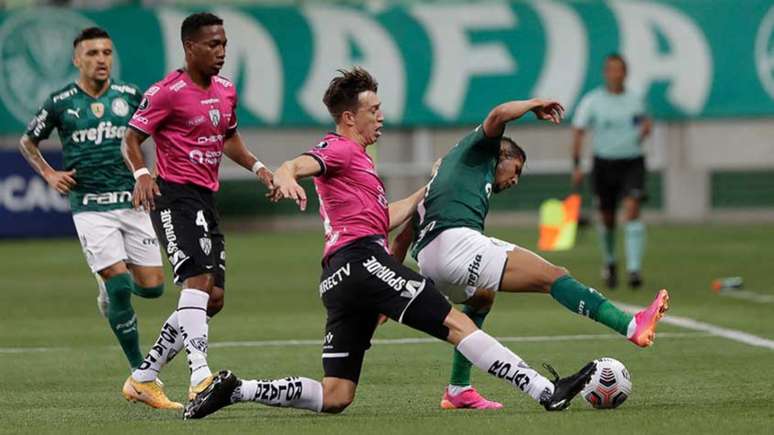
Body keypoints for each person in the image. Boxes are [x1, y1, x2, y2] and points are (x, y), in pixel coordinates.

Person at [183, 67, 597, 420]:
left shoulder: (360, 162)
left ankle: (239, 389)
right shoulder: (340, 147)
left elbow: (381, 219)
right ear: (349, 117)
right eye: (374, 110)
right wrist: (288, 173)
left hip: (338, 279)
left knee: (336, 395)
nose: (381, 116)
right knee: (459, 323)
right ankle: (546, 390)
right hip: (363, 262)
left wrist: (428, 189)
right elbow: (302, 163)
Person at [389, 98, 669, 410]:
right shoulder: (477, 150)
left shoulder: (442, 183)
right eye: (516, 169)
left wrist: (385, 286)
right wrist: (534, 104)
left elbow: (401, 241)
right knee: (554, 276)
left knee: (482, 297)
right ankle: (632, 326)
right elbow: (497, 114)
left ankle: (458, 390)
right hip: (456, 243)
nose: (515, 179)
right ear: (501, 155)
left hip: (430, 260)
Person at [120, 12, 274, 410]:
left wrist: (258, 168)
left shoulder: (225, 90)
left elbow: (229, 136)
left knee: (214, 297)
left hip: (206, 199)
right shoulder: (166, 91)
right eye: (212, 44)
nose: (221, 51)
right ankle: (199, 377)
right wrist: (140, 173)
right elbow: (131, 138)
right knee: (197, 282)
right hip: (173, 196)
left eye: (223, 43)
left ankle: (143, 378)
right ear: (190, 47)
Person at [19, 27, 167, 376]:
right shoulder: (60, 102)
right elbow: (28, 142)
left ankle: (107, 281)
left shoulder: (130, 95)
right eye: (92, 53)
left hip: (132, 201)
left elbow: (164, 131)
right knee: (119, 288)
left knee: (154, 289)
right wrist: (49, 174)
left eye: (106, 53)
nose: (101, 59)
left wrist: (153, 171)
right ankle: (139, 371)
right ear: (76, 60)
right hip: (89, 204)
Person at [571, 53, 653, 289]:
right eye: (611, 69)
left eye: (619, 69)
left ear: (625, 73)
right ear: (606, 73)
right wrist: (577, 165)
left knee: (632, 209)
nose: (615, 74)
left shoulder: (636, 99)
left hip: (632, 162)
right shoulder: (593, 101)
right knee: (607, 218)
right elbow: (578, 131)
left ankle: (634, 269)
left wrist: (645, 129)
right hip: (603, 164)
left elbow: (643, 123)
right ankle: (609, 262)